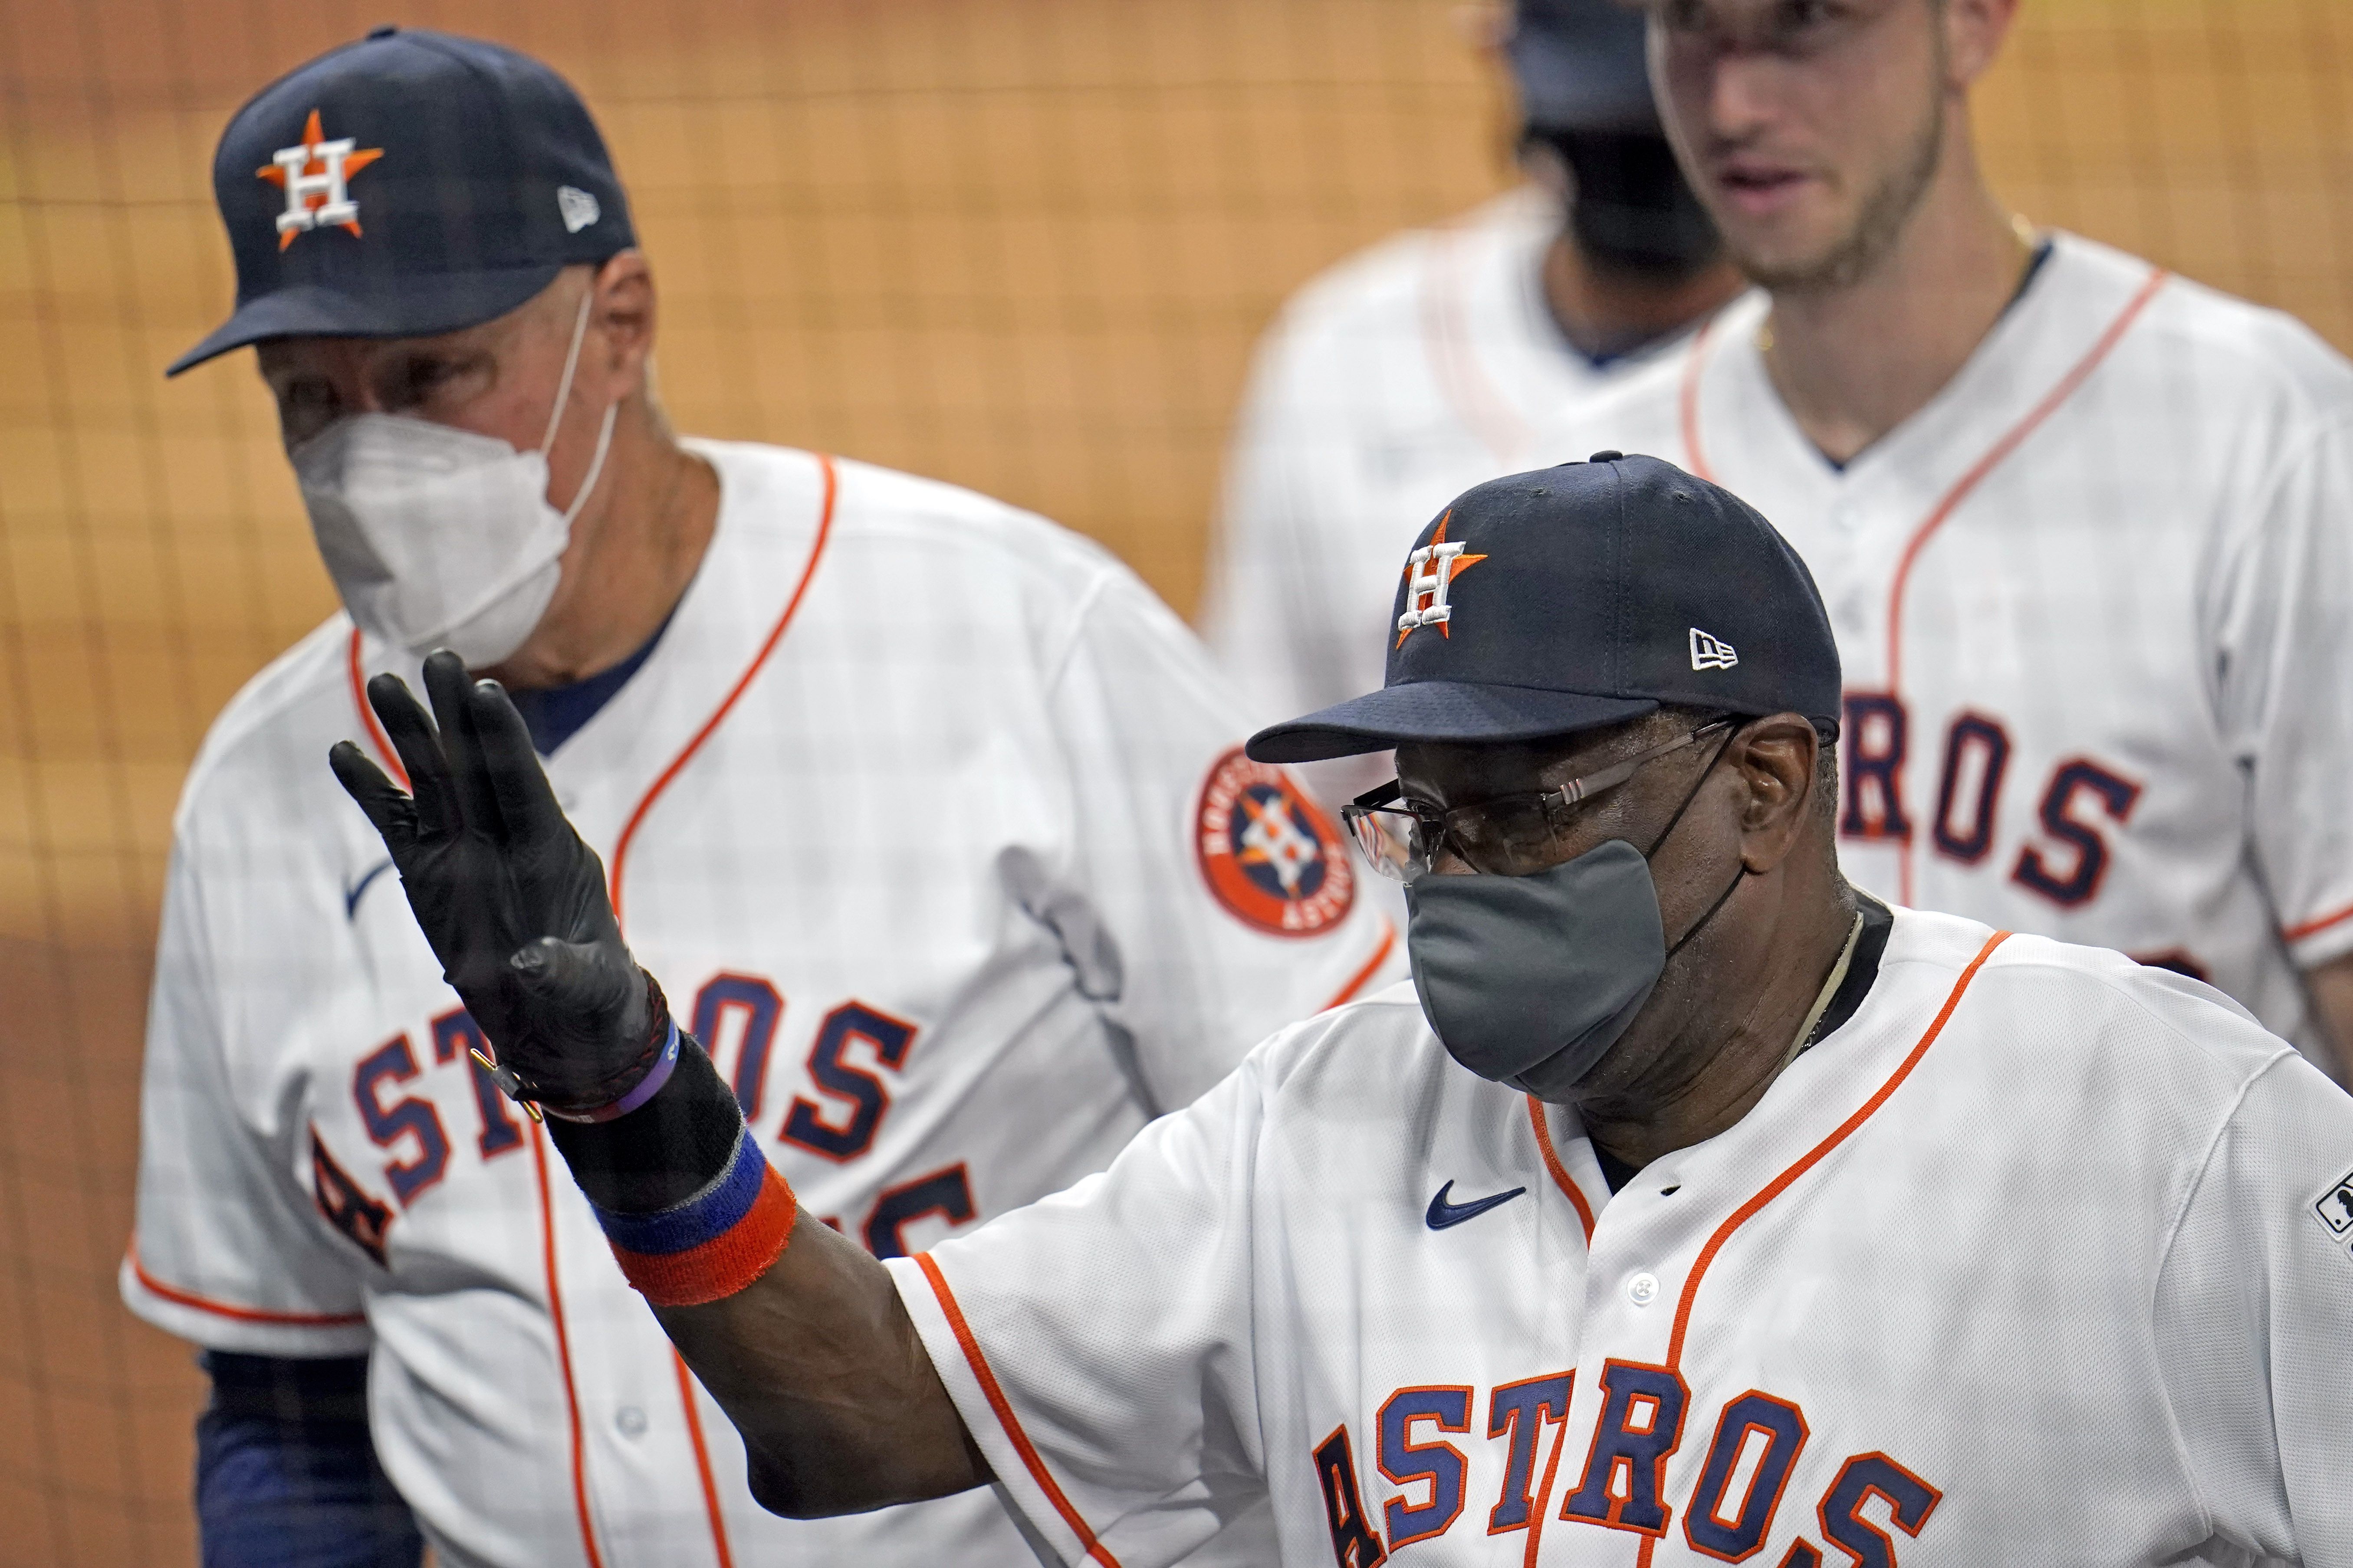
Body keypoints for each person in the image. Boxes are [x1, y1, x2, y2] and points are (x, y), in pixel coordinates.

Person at [336, 453, 2353, 1567]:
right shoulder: (1321, 1126)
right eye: (1427, 815)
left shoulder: (2153, 1128)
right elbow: (850, 1418)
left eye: (1532, 804)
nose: (1459, 876)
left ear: (1761, 790)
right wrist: (618, 1089)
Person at [123, 27, 1396, 1568]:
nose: (368, 448)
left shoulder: (1014, 641)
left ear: (621, 322)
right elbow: (288, 1401)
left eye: (431, 372)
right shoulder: (261, 794)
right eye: (309, 399)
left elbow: (1365, 1157)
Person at [1552, 0, 2353, 1069]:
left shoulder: (2262, 430)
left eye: (1804, 24)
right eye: (1691, 26)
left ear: (1972, 23)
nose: (1733, 104)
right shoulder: (1591, 489)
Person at [1200, 0, 1744, 811]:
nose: (1650, 164)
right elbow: (1263, 760)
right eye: (1606, 130)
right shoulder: (1346, 358)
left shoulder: (1855, 373)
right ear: (1496, 46)